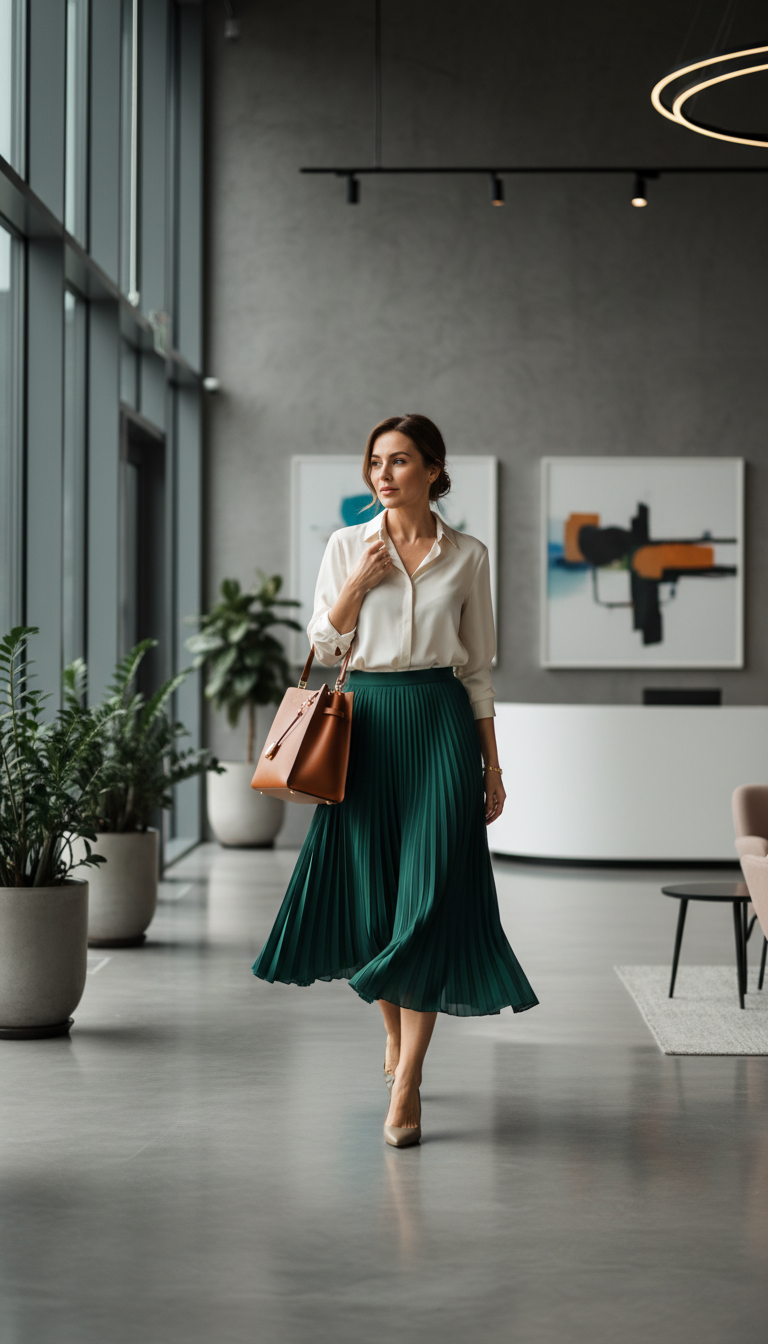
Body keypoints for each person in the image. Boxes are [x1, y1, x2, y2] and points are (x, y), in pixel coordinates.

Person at [252, 414, 538, 1146]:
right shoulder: (349, 545)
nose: (383, 473)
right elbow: (323, 641)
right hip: (367, 723)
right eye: (376, 461)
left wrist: (493, 764)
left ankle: (408, 1079)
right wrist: (358, 583)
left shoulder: (467, 556)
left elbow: (477, 670)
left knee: (432, 896)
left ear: (435, 471)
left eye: (401, 461)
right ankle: (394, 1027)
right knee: (374, 897)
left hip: (440, 723)